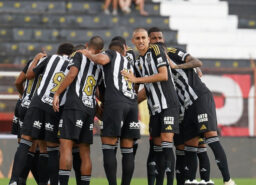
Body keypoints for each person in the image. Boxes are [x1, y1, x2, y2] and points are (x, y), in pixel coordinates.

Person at [148, 27, 236, 185]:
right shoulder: (152, 63)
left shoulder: (173, 52)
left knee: (210, 138)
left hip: (199, 98)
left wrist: (177, 66)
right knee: (190, 146)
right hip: (185, 108)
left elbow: (197, 62)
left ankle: (228, 180)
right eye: (154, 38)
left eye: (160, 37)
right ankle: (193, 181)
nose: (158, 40)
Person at [9, 43, 74, 185]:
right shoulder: (74, 64)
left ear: (57, 51)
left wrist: (37, 58)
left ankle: (15, 181)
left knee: (25, 143)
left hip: (33, 103)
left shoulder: (47, 59)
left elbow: (26, 76)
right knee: (49, 149)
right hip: (55, 107)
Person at [121, 28, 180, 185]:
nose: (141, 41)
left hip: (168, 104)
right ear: (133, 41)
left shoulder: (156, 49)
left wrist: (136, 80)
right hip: (154, 108)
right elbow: (142, 87)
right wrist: (130, 101)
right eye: (137, 38)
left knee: (167, 143)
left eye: (143, 38)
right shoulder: (138, 61)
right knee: (157, 148)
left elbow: (163, 75)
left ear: (148, 40)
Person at [79, 39, 140, 185]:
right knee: (127, 150)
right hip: (132, 105)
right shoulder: (129, 62)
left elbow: (101, 59)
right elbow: (137, 85)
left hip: (116, 104)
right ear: (125, 49)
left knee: (108, 146)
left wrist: (89, 54)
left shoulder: (111, 54)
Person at [53, 36, 104, 185]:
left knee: (66, 146)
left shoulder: (78, 55)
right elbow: (98, 92)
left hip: (75, 105)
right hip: (90, 108)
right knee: (85, 151)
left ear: (87, 45)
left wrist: (57, 93)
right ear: (100, 50)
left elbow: (72, 74)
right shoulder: (99, 65)